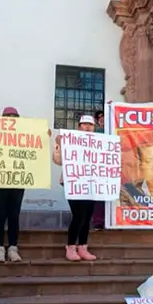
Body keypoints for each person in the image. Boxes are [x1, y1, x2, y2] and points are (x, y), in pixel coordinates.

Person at [55, 115, 100, 261]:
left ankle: (83, 247)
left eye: (90, 125)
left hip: (91, 184)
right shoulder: (69, 141)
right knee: (79, 215)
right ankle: (70, 246)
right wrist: (59, 146)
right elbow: (58, 161)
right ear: (79, 126)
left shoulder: (99, 143)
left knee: (87, 217)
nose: (87, 127)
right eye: (84, 124)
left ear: (94, 128)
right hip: (73, 183)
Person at [0, 106, 27, 263]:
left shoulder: (24, 135)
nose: (11, 118)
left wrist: (43, 136)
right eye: (8, 116)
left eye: (14, 116)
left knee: (14, 215)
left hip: (17, 181)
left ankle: (13, 247)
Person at [91, 109, 107, 230]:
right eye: (99, 118)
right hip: (98, 170)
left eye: (104, 116)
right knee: (99, 197)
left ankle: (116, 220)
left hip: (113, 169)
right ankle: (98, 222)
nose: (101, 118)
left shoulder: (116, 131)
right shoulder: (94, 133)